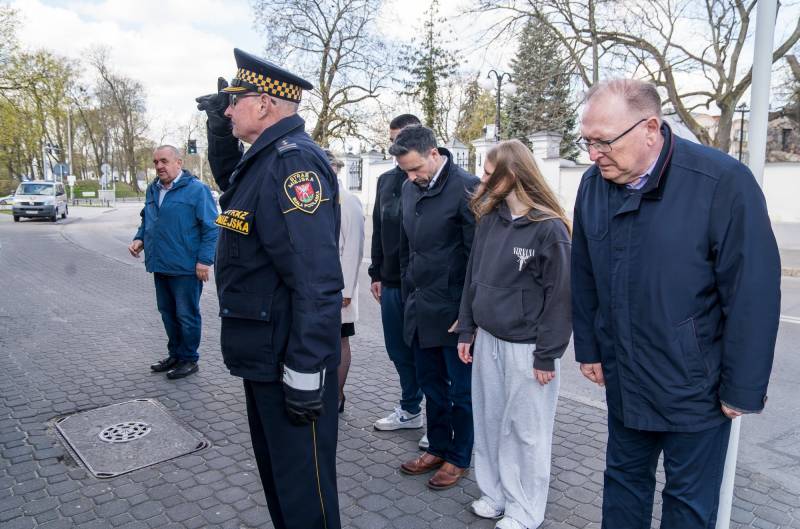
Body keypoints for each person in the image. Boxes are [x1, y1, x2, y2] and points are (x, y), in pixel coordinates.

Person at [572, 79, 781, 529]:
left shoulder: (722, 182)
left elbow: (753, 291)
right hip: (626, 379)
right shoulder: (593, 185)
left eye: (603, 142)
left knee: (689, 507)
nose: (593, 155)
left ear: (650, 128)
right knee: (622, 485)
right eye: (586, 141)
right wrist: (589, 347)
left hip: (696, 389)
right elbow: (584, 273)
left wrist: (742, 387)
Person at [196, 48, 343, 529]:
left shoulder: (293, 163)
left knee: (305, 495)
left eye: (234, 102)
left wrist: (305, 371)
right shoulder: (265, 160)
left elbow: (317, 280)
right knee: (281, 482)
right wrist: (219, 132)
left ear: (263, 104)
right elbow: (235, 190)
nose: (228, 110)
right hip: (264, 352)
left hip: (288, 358)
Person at [456, 140, 572, 529]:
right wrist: (467, 328)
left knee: (526, 432)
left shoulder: (549, 229)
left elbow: (561, 298)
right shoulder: (490, 219)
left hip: (527, 349)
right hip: (488, 339)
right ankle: (495, 495)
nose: (482, 179)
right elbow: (473, 276)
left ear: (513, 175)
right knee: (489, 423)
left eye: (490, 173)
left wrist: (547, 354)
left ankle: (524, 510)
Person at [391, 124, 479, 490]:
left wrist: (468, 315)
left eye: (415, 168)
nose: (411, 177)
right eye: (405, 171)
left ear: (434, 153)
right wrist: (406, 289)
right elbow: (407, 249)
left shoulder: (467, 188)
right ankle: (438, 446)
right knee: (431, 384)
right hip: (420, 308)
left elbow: (477, 258)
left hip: (454, 313)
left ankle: (459, 456)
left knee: (461, 392)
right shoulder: (409, 187)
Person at [128, 145, 218, 380]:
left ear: (179, 163)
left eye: (164, 161)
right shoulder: (153, 189)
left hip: (186, 267)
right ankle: (175, 355)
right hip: (160, 264)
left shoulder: (197, 190)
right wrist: (139, 239)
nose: (159, 166)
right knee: (167, 313)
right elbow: (148, 220)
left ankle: (189, 359)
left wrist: (204, 261)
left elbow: (211, 227)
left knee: (186, 315)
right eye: (156, 162)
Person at [369, 114, 429, 448]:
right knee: (398, 350)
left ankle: (441, 419)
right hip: (391, 282)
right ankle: (410, 408)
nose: (397, 146)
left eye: (403, 138)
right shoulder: (385, 181)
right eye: (393, 140)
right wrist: (376, 272)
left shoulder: (428, 179)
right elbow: (379, 228)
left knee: (428, 353)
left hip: (423, 285)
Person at [326, 150, 365, 413]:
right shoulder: (323, 198)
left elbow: (354, 247)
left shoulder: (347, 201)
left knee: (340, 339)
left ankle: (337, 395)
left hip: (340, 287)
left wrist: (347, 290)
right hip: (322, 286)